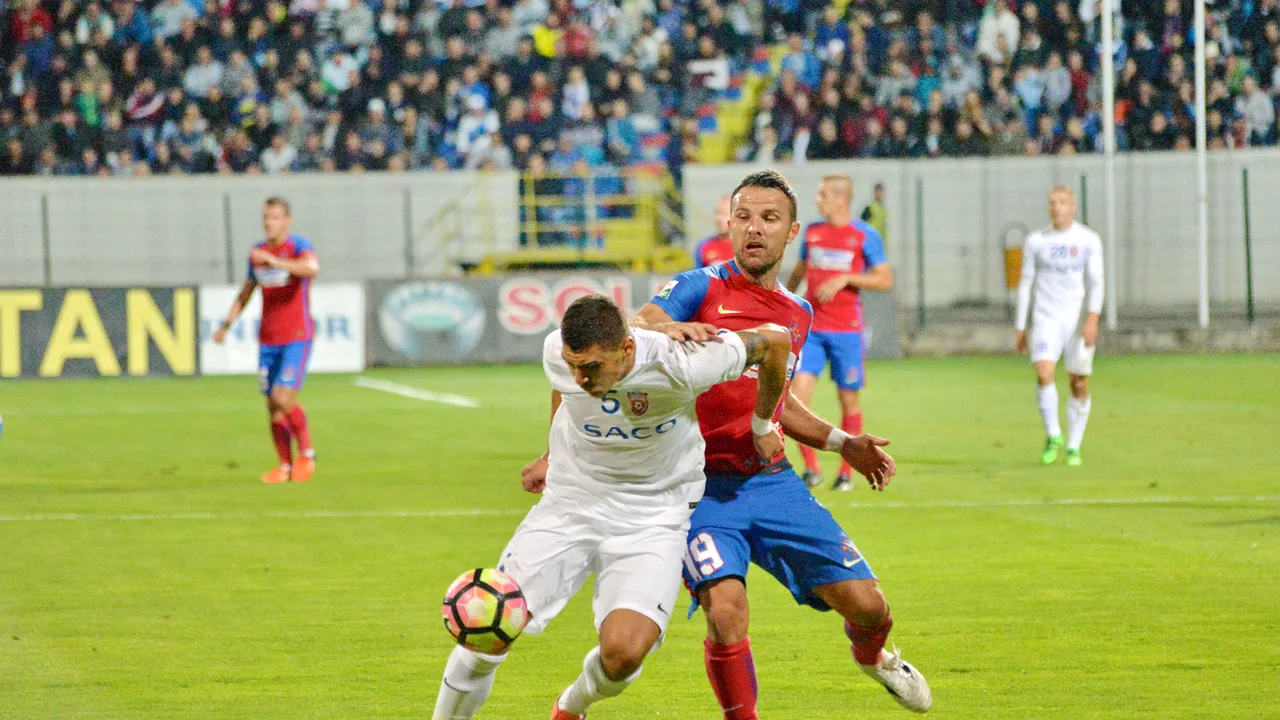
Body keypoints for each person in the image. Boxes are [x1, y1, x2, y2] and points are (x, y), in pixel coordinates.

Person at [631, 170, 930, 718]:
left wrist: (843, 443)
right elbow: (644, 319)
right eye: (743, 216)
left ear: (792, 232)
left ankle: (874, 658)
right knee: (726, 612)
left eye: (769, 219)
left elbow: (778, 401)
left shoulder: (797, 312)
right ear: (729, 223)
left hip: (771, 484)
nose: (754, 229)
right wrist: (666, 328)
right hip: (699, 492)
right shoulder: (701, 286)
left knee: (869, 607)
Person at [432, 295, 797, 720]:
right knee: (486, 628)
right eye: (573, 365)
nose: (580, 378)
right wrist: (551, 454)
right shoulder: (558, 352)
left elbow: (775, 341)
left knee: (623, 654)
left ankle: (573, 705)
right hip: (571, 503)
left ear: (626, 350)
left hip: (654, 516)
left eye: (591, 369)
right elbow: (564, 388)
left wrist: (762, 423)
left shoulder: (686, 361)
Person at [784, 175, 894, 490]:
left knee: (848, 401)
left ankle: (846, 472)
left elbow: (884, 280)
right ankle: (812, 469)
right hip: (813, 329)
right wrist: (784, 301)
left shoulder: (864, 235)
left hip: (846, 331)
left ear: (840, 199)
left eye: (822, 194)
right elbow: (799, 271)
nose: (817, 199)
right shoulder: (813, 232)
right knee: (795, 397)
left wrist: (847, 278)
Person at [212, 197, 319, 484]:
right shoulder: (257, 253)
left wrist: (277, 261)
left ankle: (307, 453)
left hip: (297, 335)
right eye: (266, 217)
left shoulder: (297, 246)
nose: (268, 223)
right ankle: (284, 466)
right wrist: (226, 325)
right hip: (268, 339)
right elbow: (246, 292)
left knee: (283, 397)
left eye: (274, 217)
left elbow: (312, 269)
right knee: (272, 405)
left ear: (287, 220)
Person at [1015, 186, 1103, 466]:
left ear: (1073, 207)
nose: (1056, 207)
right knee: (1044, 373)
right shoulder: (1036, 241)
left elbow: (1096, 282)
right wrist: (1020, 325)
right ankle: (1054, 434)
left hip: (1076, 321)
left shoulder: (1088, 239)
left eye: (1062, 202)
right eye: (1052, 202)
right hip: (1046, 319)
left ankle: (1074, 445)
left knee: (1078, 383)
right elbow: (1026, 282)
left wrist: (1092, 318)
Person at [693, 195, 735, 268]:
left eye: (724, 214)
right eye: (717, 213)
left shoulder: (745, 247)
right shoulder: (704, 246)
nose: (719, 219)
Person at [860, 182, 888, 247]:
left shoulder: (882, 208)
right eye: (878, 192)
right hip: (871, 243)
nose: (880, 194)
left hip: (881, 243)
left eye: (881, 192)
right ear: (874, 192)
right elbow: (861, 225)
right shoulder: (870, 208)